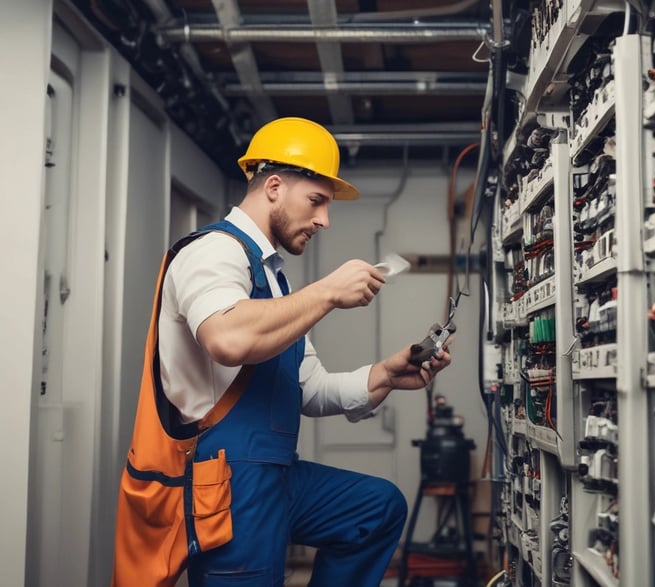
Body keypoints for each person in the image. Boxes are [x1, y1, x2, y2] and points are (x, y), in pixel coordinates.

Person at [111, 116, 455, 587]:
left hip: (275, 474)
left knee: (376, 510)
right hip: (229, 482)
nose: (324, 220)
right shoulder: (213, 251)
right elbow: (227, 339)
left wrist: (386, 375)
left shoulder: (273, 279)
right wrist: (328, 292)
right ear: (273, 186)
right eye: (317, 202)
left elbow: (309, 388)